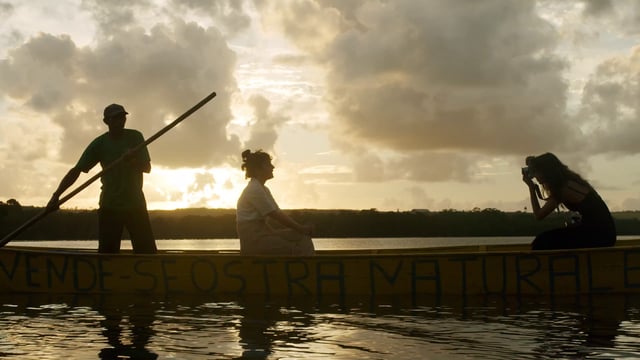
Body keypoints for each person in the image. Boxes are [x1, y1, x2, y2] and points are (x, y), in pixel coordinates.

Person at [47, 103, 157, 254]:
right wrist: (56, 196)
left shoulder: (135, 137)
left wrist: (132, 160)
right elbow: (76, 171)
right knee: (107, 254)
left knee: (147, 253)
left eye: (122, 117)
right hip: (110, 206)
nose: (121, 121)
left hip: (135, 205)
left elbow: (147, 168)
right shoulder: (99, 144)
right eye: (116, 118)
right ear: (107, 121)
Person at [522, 152, 616, 250]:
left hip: (600, 235)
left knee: (541, 241)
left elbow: (539, 215)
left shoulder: (563, 189)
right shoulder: (569, 183)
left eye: (536, 172)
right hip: (603, 232)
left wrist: (531, 188)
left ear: (546, 172)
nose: (535, 176)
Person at [236, 149, 315, 256]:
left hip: (263, 236)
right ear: (259, 169)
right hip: (254, 242)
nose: (273, 167)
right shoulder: (254, 189)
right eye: (269, 164)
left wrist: (299, 231)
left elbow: (276, 213)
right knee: (294, 247)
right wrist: (300, 228)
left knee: (302, 236)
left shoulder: (263, 189)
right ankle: (308, 267)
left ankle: (308, 263)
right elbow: (275, 215)